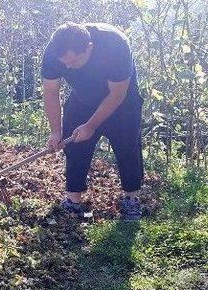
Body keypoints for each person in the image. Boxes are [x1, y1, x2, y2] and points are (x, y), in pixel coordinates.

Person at [41, 22, 144, 221]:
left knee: (127, 146)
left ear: (89, 48)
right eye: (64, 63)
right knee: (74, 145)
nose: (67, 67)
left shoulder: (116, 45)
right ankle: (73, 200)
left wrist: (90, 126)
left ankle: (131, 199)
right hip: (83, 98)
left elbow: (117, 94)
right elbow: (51, 92)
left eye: (73, 61)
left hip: (122, 101)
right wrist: (56, 131)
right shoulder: (54, 52)